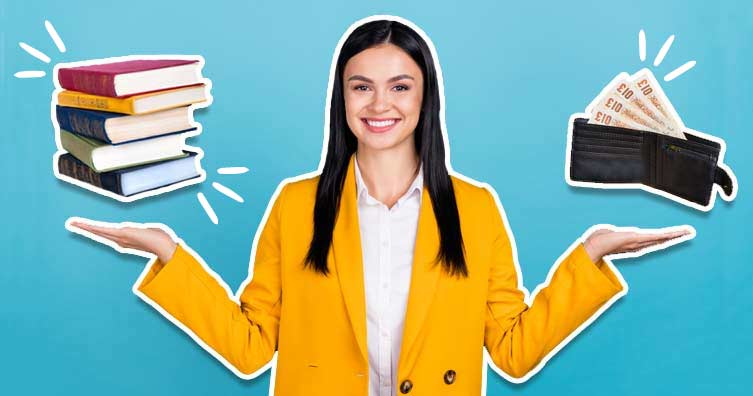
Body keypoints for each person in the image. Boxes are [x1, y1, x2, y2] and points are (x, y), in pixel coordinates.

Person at [68, 16, 692, 396]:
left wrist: (591, 257)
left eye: (400, 86)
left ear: (426, 99)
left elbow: (513, 351)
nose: (379, 104)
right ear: (341, 98)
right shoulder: (296, 206)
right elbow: (253, 347)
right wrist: (167, 255)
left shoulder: (474, 210)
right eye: (360, 86)